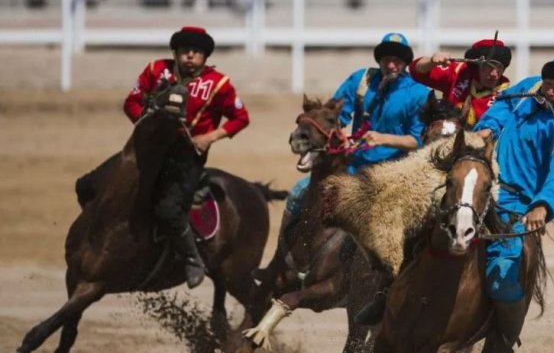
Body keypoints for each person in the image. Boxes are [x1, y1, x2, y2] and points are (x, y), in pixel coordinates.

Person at [356, 54, 554, 353]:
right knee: (420, 223)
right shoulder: (531, 88)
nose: (550, 91)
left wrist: (543, 205)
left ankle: (501, 340)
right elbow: (502, 104)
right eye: (549, 82)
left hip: (516, 203)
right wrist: (488, 127)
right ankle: (385, 295)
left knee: (502, 277)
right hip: (479, 181)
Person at [75, 26, 250, 289]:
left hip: (185, 158)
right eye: (184, 51)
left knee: (168, 210)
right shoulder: (155, 70)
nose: (190, 56)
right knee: (87, 184)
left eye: (196, 52)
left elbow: (241, 118)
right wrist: (144, 121)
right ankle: (98, 235)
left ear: (204, 56)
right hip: (144, 151)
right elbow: (131, 102)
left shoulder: (219, 84)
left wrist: (209, 137)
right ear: (176, 53)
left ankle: (192, 259)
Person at [281, 33, 429, 238]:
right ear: (380, 60)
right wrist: (318, 143)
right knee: (299, 192)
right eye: (387, 59)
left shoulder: (418, 93)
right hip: (352, 167)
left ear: (405, 63)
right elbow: (334, 117)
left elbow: (418, 140)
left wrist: (383, 138)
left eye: (398, 60)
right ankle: (285, 255)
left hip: (393, 175)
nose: (392, 65)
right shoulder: (361, 80)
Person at [409, 38, 512, 127]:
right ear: (475, 67)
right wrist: (431, 61)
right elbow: (416, 71)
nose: (495, 73)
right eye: (489, 66)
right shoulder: (458, 72)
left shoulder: (506, 95)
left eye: (500, 67)